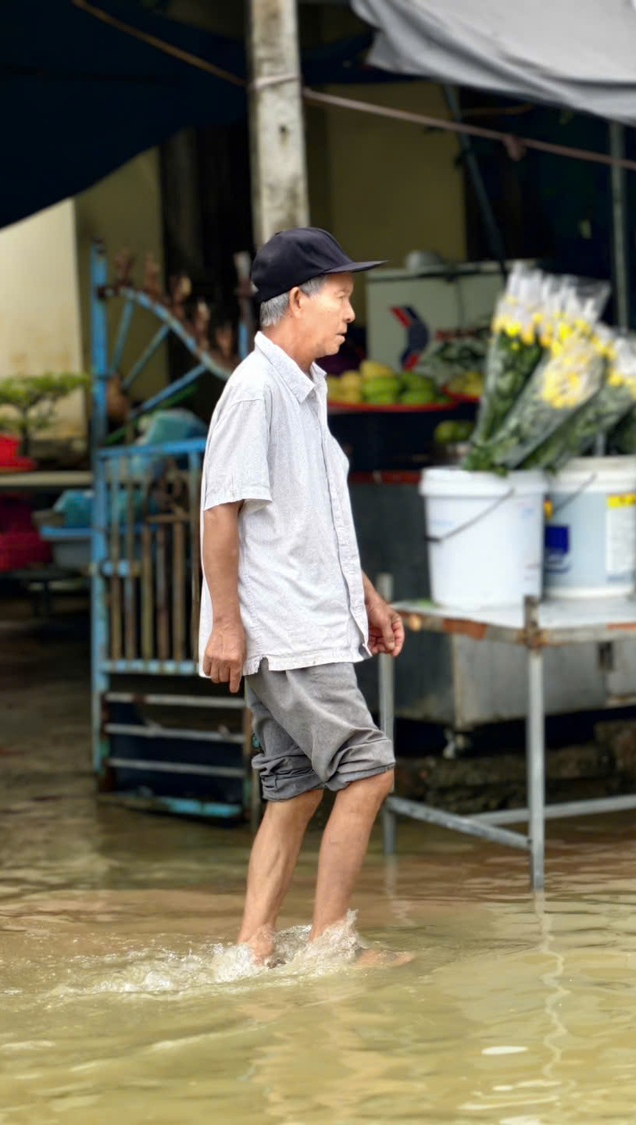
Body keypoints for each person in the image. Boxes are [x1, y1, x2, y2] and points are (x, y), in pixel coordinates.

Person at [199, 226, 405, 965]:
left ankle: (252, 952)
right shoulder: (255, 392)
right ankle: (331, 946)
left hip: (307, 621)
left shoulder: (305, 389)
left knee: (295, 790)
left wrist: (370, 600)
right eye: (342, 298)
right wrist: (227, 625)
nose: (351, 313)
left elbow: (315, 520)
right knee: (369, 769)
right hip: (284, 629)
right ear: (297, 299)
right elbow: (220, 511)